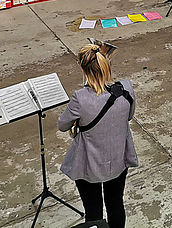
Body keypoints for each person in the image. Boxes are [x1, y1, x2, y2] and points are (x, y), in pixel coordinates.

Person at [58, 44, 138, 228]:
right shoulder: (126, 88)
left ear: (83, 70)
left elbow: (62, 125)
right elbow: (130, 115)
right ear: (106, 65)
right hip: (118, 157)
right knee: (116, 203)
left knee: (93, 210)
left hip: (89, 163)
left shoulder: (80, 97)